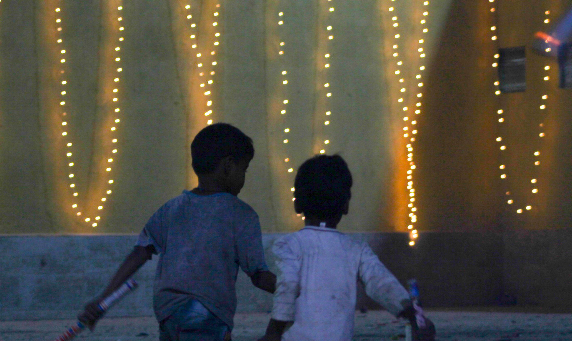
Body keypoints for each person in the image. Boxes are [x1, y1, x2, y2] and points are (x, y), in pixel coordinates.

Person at [78, 123, 276, 340]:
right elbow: (259, 276)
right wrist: (298, 290)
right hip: (208, 314)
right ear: (228, 166)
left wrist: (102, 299)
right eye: (244, 169)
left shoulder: (171, 209)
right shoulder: (242, 215)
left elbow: (140, 252)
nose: (244, 178)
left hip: (169, 314)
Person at [259, 154, 435, 341]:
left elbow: (287, 286)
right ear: (345, 206)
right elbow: (382, 283)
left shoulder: (288, 245)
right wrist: (412, 314)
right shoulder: (356, 250)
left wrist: (273, 332)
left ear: (297, 204)